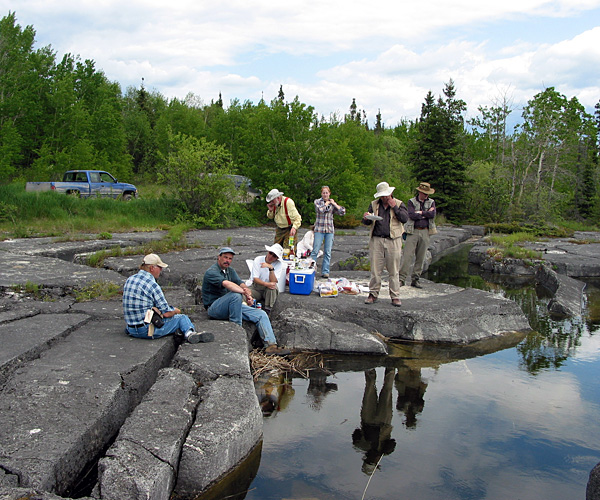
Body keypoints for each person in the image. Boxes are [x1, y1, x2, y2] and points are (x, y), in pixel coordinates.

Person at [201, 247, 290, 355]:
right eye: (225, 257)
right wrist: (244, 293)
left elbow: (239, 282)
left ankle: (271, 346)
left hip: (230, 305)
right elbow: (227, 284)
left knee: (261, 314)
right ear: (219, 257)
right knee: (235, 295)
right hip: (214, 307)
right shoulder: (212, 272)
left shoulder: (230, 270)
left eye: (230, 258)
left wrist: (247, 290)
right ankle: (238, 334)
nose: (227, 260)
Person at [123, 253, 213, 344]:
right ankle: (190, 334)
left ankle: (179, 333)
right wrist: (176, 311)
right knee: (182, 318)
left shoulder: (130, 279)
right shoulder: (152, 285)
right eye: (159, 267)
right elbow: (166, 313)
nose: (161, 270)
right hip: (146, 330)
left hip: (131, 329)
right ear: (152, 268)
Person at [362, 181, 408, 307]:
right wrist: (366, 217)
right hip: (377, 239)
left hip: (393, 240)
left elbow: (405, 218)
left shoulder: (399, 203)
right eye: (382, 196)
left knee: (393, 270)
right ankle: (373, 294)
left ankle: (395, 296)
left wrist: (395, 207)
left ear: (390, 193)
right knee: (376, 269)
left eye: (386, 195)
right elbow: (366, 222)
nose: (385, 198)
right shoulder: (374, 204)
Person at [398, 182, 437, 289]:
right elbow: (411, 215)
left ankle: (415, 279)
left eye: (427, 194)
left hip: (425, 231)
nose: (426, 195)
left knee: (421, 257)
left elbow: (432, 214)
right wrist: (425, 213)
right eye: (424, 193)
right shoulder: (411, 201)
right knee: (407, 256)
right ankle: (401, 279)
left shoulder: (431, 202)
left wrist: (420, 213)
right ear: (420, 192)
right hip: (412, 231)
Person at [310, 185, 346, 278]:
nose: (325, 194)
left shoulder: (332, 203)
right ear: (321, 193)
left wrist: (334, 204)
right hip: (319, 229)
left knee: (328, 251)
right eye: (323, 193)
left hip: (329, 230)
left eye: (327, 193)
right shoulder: (317, 202)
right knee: (315, 250)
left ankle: (325, 271)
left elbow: (342, 212)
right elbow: (320, 210)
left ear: (329, 193)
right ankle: (311, 270)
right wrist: (326, 204)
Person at [248, 243, 284, 314]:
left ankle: (268, 310)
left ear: (277, 258)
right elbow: (255, 278)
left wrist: (271, 268)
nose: (271, 256)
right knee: (244, 294)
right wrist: (266, 284)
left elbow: (274, 281)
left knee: (272, 288)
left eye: (274, 256)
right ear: (268, 252)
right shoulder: (258, 259)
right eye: (270, 253)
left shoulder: (278, 264)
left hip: (268, 288)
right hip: (256, 287)